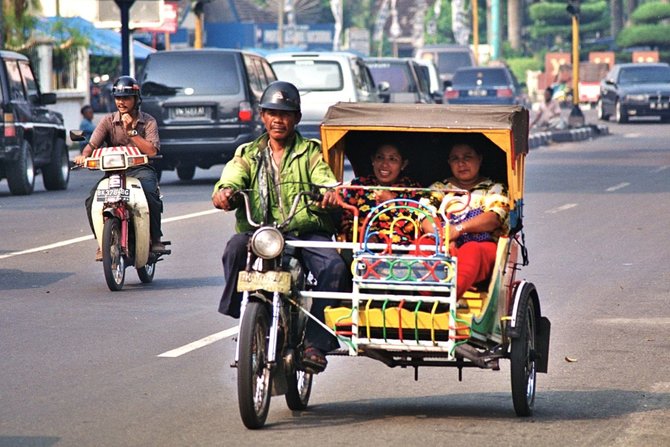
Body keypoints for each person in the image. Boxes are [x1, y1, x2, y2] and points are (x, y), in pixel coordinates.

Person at [212, 81, 349, 374]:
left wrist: (328, 191)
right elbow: (232, 177)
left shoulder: (310, 152)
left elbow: (324, 177)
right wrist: (226, 192)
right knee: (234, 248)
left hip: (304, 230)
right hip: (263, 232)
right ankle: (248, 316)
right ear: (262, 116)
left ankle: (317, 341)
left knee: (334, 267)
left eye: (286, 114)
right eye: (272, 113)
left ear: (296, 118)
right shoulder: (248, 153)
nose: (278, 119)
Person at [74, 76, 166, 261]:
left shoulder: (148, 121)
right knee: (92, 200)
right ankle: (102, 243)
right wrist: (84, 156)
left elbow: (152, 150)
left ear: (136, 99)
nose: (121, 102)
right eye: (118, 98)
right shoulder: (107, 121)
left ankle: (155, 238)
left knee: (150, 195)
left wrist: (131, 131)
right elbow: (92, 144)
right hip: (114, 173)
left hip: (141, 170)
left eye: (126, 98)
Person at [421, 142, 509, 301]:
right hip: (443, 242)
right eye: (455, 159)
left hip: (481, 247)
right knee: (421, 246)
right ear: (449, 163)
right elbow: (424, 214)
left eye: (467, 157)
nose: (461, 163)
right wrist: (444, 237)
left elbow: (495, 217)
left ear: (479, 159)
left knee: (471, 250)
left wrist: (459, 229)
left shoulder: (494, 188)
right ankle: (427, 297)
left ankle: (447, 298)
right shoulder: (440, 187)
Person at [339, 143, 422, 244]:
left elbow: (414, 226)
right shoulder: (358, 185)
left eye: (392, 159)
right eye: (380, 157)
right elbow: (344, 221)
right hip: (363, 247)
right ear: (373, 160)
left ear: (403, 164)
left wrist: (392, 201)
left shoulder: (412, 188)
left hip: (400, 251)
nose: (384, 164)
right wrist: (363, 236)